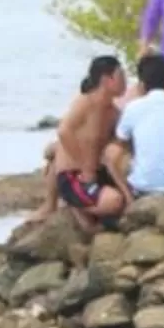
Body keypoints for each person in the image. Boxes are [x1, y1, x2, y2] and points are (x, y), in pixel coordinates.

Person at [42, 56, 130, 225]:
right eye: (121, 77)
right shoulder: (86, 103)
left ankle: (87, 211)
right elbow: (64, 131)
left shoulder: (113, 113)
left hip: (96, 173)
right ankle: (73, 207)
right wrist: (85, 168)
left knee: (121, 203)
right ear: (106, 79)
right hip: (74, 174)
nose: (125, 82)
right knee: (114, 201)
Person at [114, 53, 164, 197]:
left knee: (111, 152)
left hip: (144, 188)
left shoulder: (133, 107)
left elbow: (121, 140)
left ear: (142, 84)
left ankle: (128, 199)